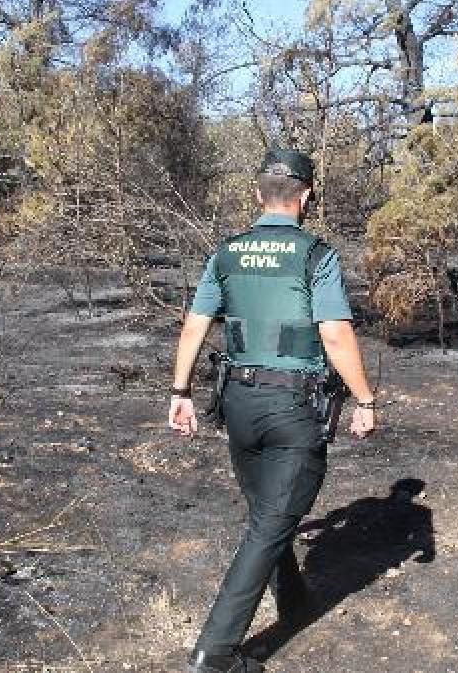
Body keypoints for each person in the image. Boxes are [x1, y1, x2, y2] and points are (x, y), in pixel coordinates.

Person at [168, 148, 379, 673]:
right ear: (305, 196)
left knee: (268, 508)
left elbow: (195, 325)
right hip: (293, 406)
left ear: (259, 193)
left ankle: (294, 596)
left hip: (237, 403)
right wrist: (365, 397)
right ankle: (215, 650)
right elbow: (333, 332)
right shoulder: (315, 255)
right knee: (269, 521)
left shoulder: (227, 253)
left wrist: (179, 393)